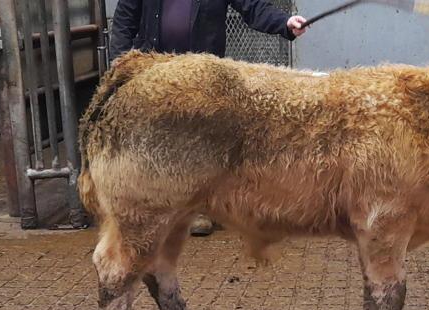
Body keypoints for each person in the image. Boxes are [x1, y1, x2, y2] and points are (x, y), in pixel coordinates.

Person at [109, 0, 307, 235]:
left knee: (198, 142)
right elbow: (124, 20)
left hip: (201, 75)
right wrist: (121, 66)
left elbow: (252, 5)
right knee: (160, 143)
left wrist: (285, 22)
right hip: (156, 72)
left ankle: (199, 209)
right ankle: (161, 207)